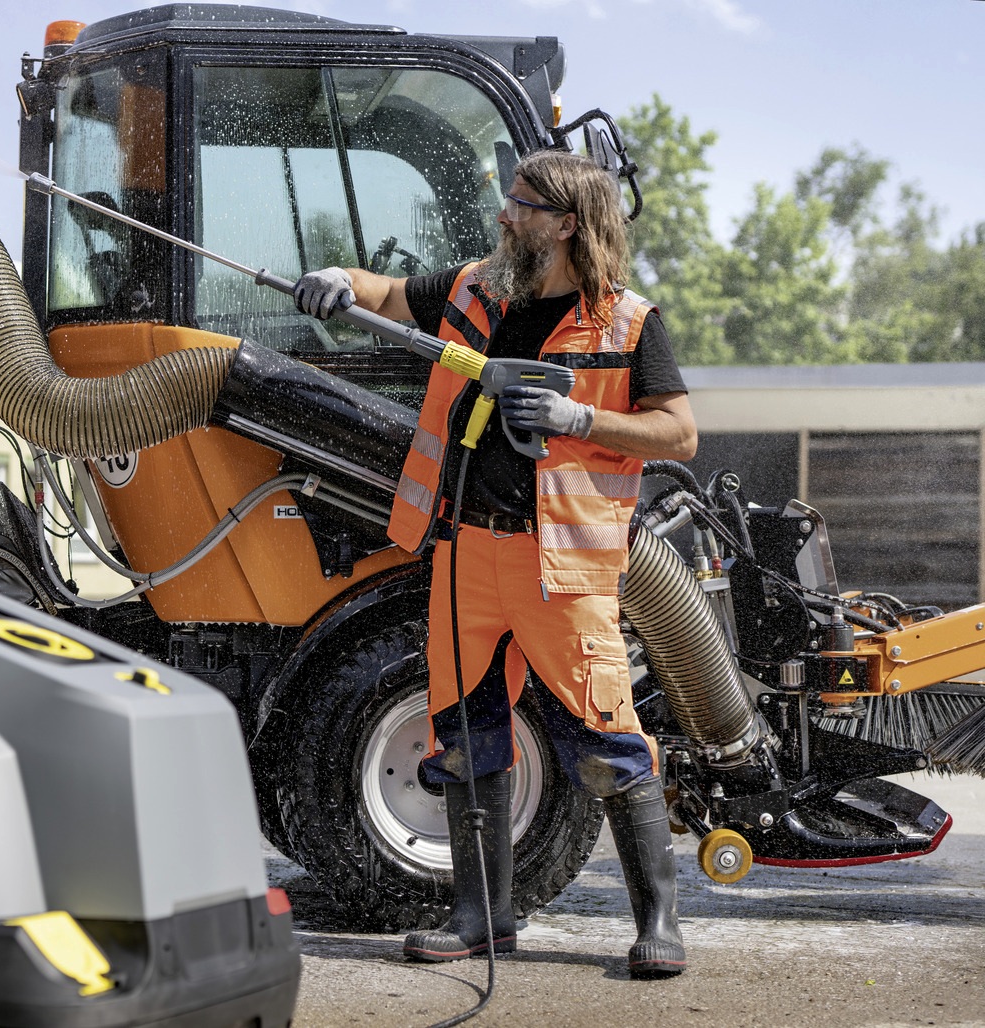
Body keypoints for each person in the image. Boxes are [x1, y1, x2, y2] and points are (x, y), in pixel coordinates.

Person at [293, 149, 698, 979]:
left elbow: (679, 433)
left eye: (522, 204)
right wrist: (337, 279)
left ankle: (660, 925)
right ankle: (482, 920)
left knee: (607, 741)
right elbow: (384, 294)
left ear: (568, 223)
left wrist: (578, 418)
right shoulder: (478, 288)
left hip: (562, 566)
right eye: (508, 200)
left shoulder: (627, 323)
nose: (505, 215)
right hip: (466, 553)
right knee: (466, 736)